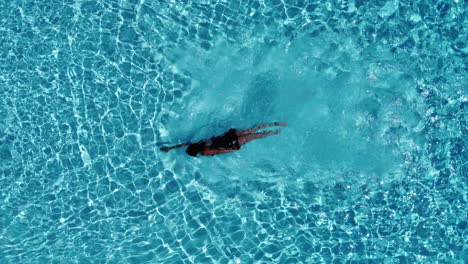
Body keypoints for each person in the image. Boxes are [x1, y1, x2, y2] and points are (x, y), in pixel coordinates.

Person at [160, 122, 287, 157]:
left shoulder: (205, 151)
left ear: (196, 152)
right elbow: (184, 144)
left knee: (255, 136)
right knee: (253, 130)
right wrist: (170, 148)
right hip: (229, 136)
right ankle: (276, 124)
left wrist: (233, 150)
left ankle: (275, 132)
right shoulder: (198, 143)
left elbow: (220, 151)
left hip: (232, 143)